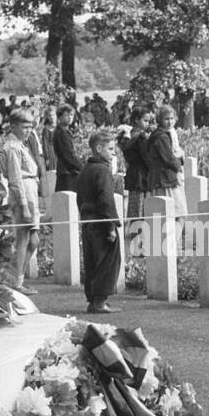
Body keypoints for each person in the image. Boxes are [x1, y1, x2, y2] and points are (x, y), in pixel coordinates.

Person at [76, 129, 122, 314]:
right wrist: (111, 225)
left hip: (87, 220)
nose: (113, 153)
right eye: (110, 149)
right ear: (98, 148)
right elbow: (106, 200)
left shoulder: (86, 169)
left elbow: (80, 198)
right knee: (107, 261)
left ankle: (94, 299)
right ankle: (100, 301)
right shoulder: (102, 170)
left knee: (92, 261)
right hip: (101, 222)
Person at [3, 108, 42, 294]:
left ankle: (17, 277)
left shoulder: (21, 145)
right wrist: (24, 206)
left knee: (34, 240)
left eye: (30, 127)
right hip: (22, 196)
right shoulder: (12, 147)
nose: (28, 130)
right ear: (13, 126)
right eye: (24, 126)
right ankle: (14, 281)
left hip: (31, 192)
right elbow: (15, 179)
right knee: (23, 239)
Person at [146, 102, 186, 217]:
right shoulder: (161, 136)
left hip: (167, 178)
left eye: (172, 118)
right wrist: (178, 166)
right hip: (164, 180)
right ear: (160, 120)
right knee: (177, 215)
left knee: (177, 215)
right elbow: (169, 158)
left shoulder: (167, 134)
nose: (170, 122)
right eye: (166, 119)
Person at [118, 108, 153, 230]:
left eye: (149, 121)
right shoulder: (140, 138)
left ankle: (135, 238)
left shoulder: (128, 136)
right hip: (141, 175)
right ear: (136, 120)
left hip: (133, 174)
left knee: (135, 210)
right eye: (145, 120)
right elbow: (147, 158)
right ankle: (139, 239)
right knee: (142, 210)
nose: (147, 124)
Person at [52, 105, 82, 194]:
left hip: (68, 171)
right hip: (66, 172)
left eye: (71, 115)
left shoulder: (65, 131)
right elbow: (68, 155)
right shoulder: (61, 133)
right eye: (66, 115)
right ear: (60, 117)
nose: (69, 117)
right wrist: (81, 167)